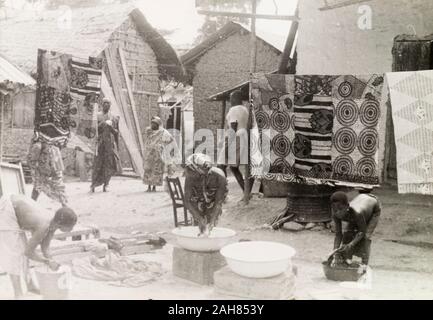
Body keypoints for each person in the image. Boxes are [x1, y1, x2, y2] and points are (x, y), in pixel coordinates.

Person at [0, 194, 77, 299]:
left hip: (17, 207)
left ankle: (30, 286)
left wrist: (51, 260)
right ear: (60, 223)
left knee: (22, 252)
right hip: (7, 210)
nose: (72, 229)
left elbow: (45, 247)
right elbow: (29, 252)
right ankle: (18, 293)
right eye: (71, 226)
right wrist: (46, 261)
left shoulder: (53, 223)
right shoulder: (44, 225)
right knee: (15, 255)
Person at [217, 90, 259, 201]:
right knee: (233, 167)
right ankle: (246, 192)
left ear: (235, 99)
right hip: (244, 136)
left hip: (236, 136)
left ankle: (223, 194)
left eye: (231, 99)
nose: (230, 101)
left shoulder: (234, 110)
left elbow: (233, 126)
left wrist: (227, 147)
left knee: (221, 166)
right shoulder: (245, 109)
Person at [330, 191, 381, 266]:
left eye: (340, 209)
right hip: (362, 201)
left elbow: (362, 232)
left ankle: (364, 266)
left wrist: (351, 245)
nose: (338, 213)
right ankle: (347, 261)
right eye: (335, 210)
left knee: (366, 237)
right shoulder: (335, 214)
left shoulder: (357, 213)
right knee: (347, 234)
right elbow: (338, 234)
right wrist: (335, 252)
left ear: (347, 206)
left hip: (374, 207)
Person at [184, 153, 228, 236]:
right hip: (197, 202)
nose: (190, 173)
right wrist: (198, 218)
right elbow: (187, 200)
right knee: (199, 229)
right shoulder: (190, 176)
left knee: (211, 228)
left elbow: (218, 202)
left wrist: (212, 220)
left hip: (212, 202)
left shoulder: (219, 176)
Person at [27, 133, 68, 206]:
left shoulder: (39, 140)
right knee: (56, 185)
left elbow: (34, 154)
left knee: (39, 184)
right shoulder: (57, 135)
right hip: (54, 161)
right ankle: (64, 205)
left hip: (47, 163)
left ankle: (32, 204)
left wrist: (32, 164)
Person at [90, 98, 121, 193]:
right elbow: (92, 130)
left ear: (110, 105)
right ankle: (93, 184)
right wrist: (102, 124)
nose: (106, 105)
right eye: (104, 103)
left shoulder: (114, 117)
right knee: (97, 164)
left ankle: (106, 184)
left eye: (108, 103)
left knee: (109, 164)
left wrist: (111, 127)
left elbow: (116, 132)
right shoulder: (97, 116)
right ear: (102, 104)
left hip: (109, 144)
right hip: (100, 143)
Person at [142, 116, 178, 192]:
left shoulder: (163, 132)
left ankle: (154, 187)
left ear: (158, 124)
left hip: (158, 155)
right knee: (148, 170)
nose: (152, 125)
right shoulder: (149, 131)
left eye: (154, 124)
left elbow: (171, 139)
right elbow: (147, 139)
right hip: (149, 154)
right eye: (152, 123)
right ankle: (149, 187)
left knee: (156, 171)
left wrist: (163, 145)